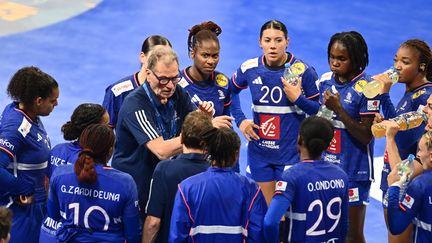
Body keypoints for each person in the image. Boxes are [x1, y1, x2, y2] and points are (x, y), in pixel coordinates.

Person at [111, 46, 213, 221]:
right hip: (136, 189)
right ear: (148, 74)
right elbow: (162, 151)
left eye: (175, 78)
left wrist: (205, 118)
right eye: (163, 79)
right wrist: (198, 134)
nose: (170, 85)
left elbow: (197, 124)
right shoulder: (135, 104)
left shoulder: (177, 94)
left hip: (162, 182)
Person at [229, 20, 320, 205]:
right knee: (264, 214)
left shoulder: (304, 71)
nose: (272, 46)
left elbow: (318, 110)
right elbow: (230, 91)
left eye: (278, 40)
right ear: (260, 42)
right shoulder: (249, 68)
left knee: (288, 216)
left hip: (291, 156)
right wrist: (241, 121)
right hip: (259, 154)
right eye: (268, 40)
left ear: (287, 42)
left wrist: (298, 99)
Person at [317, 31, 380, 243]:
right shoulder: (325, 81)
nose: (334, 63)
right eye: (332, 57)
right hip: (327, 166)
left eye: (341, 59)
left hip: (355, 171)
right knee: (328, 230)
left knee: (352, 235)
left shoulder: (369, 88)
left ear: (356, 59)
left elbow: (365, 136)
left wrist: (339, 109)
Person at [375, 39, 432, 243]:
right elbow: (399, 124)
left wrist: (383, 94)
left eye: (405, 62)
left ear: (421, 66)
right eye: (396, 60)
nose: (397, 66)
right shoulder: (411, 92)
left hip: (405, 177)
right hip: (394, 172)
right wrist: (387, 121)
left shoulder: (425, 97)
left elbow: (401, 135)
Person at [169, 127, 267, 242]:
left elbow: (177, 236)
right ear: (236, 154)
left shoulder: (186, 188)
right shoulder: (251, 189)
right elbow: (258, 234)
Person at [47, 124, 140, 242]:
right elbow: (132, 233)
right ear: (110, 150)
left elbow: (53, 215)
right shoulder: (125, 183)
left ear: (82, 146)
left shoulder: (60, 173)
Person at [263, 116, 349, 243]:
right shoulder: (341, 176)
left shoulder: (291, 176)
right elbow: (344, 224)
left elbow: (270, 222)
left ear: (300, 140)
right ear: (328, 145)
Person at [0, 66, 59, 243]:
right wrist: (22, 188)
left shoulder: (30, 114)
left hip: (35, 207)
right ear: (38, 101)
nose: (56, 104)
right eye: (53, 100)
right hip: (19, 212)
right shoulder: (16, 126)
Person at [39, 103, 109, 243]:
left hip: (48, 228)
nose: (110, 130)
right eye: (106, 126)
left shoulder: (57, 150)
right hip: (71, 234)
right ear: (92, 131)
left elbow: (45, 186)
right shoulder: (89, 164)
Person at [143, 111, 212, 243]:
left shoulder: (164, 169)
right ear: (208, 142)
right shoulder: (216, 173)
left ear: (181, 139)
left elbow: (153, 222)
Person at [102, 35, 172, 128]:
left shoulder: (173, 90)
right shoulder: (117, 93)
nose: (161, 63)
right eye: (155, 58)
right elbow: (104, 134)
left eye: (166, 59)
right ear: (142, 57)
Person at [178, 21, 233, 129]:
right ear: (193, 54)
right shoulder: (176, 84)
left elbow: (227, 125)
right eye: (205, 55)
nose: (211, 61)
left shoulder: (223, 83)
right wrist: (208, 126)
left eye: (215, 56)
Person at [384, 122, 432, 243]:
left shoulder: (420, 184)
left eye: (420, 150)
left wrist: (394, 187)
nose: (418, 154)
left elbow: (396, 226)